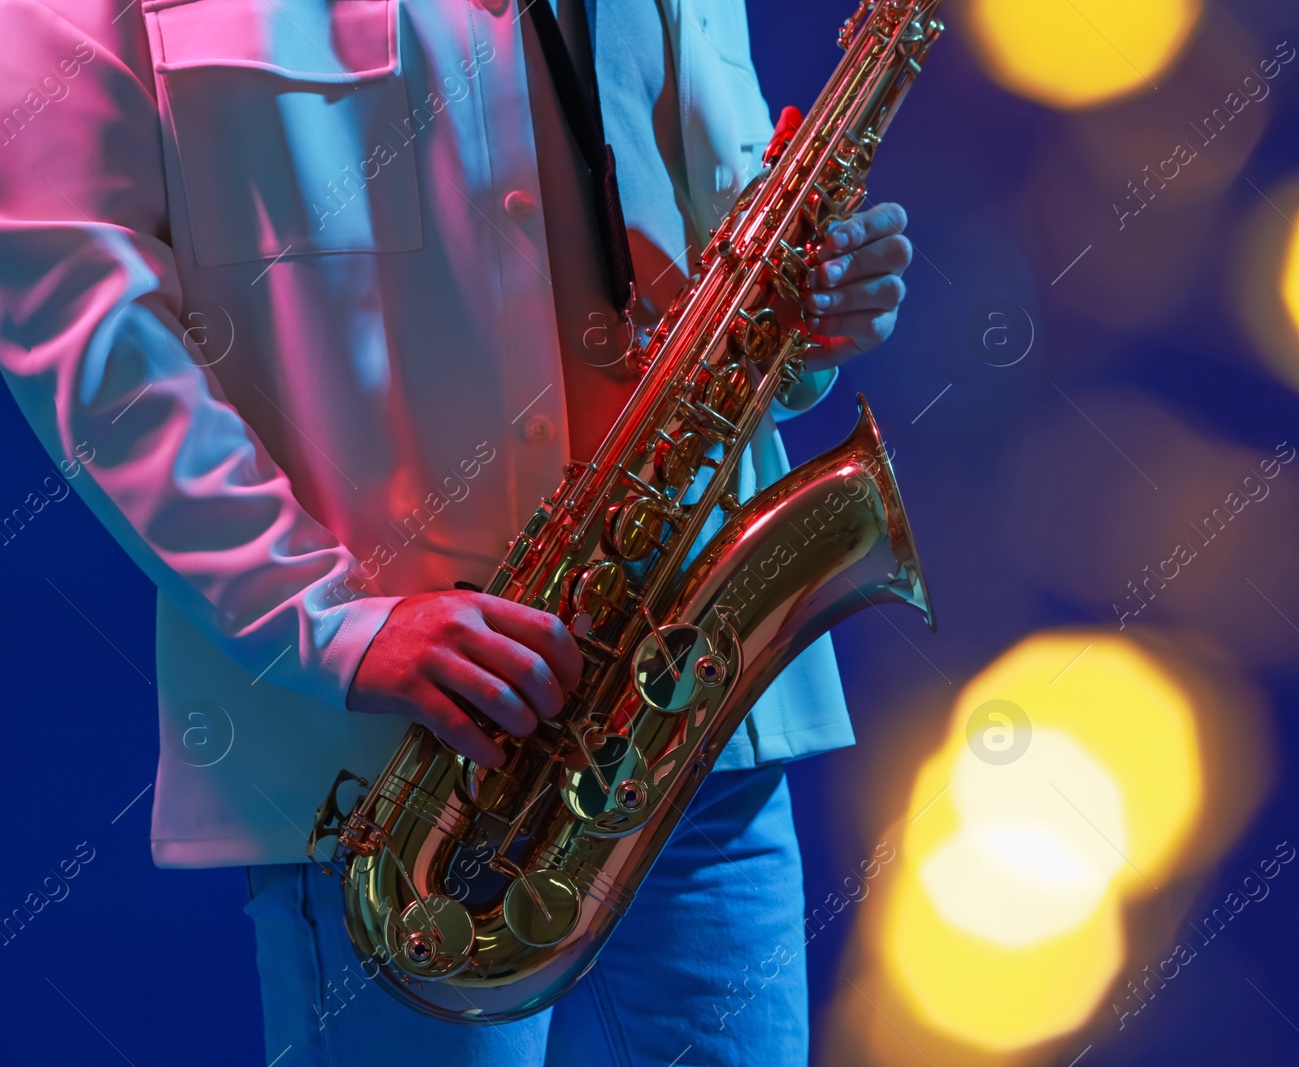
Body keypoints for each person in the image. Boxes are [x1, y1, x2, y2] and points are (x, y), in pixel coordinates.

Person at [0, 0, 915, 1064]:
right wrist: (320, 616)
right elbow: (78, 309)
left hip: (697, 746)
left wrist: (812, 311)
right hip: (402, 797)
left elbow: (713, 247)